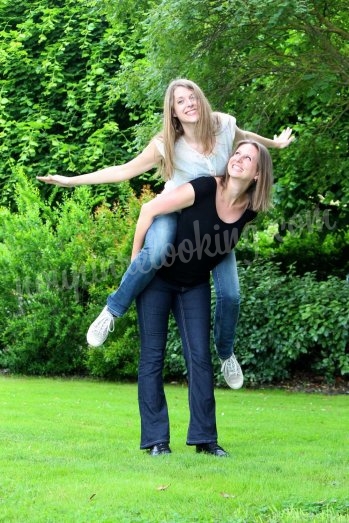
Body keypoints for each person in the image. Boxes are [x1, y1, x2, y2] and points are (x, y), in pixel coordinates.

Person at [37, 78, 294, 389]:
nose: (188, 103)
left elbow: (247, 140)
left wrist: (275, 144)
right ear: (173, 112)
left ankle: (226, 352)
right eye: (180, 101)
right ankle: (112, 310)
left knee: (231, 294)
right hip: (174, 213)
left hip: (213, 223)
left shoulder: (224, 125)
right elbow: (123, 171)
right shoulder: (165, 144)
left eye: (192, 97)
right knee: (156, 252)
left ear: (201, 99)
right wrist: (71, 180)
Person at [134, 140, 273, 456]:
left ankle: (205, 439)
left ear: (257, 174)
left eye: (247, 157)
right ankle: (156, 440)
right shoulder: (206, 186)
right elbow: (153, 210)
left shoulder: (249, 211)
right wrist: (137, 261)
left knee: (200, 359)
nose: (237, 158)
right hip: (157, 281)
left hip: (193, 286)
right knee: (152, 357)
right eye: (236, 152)